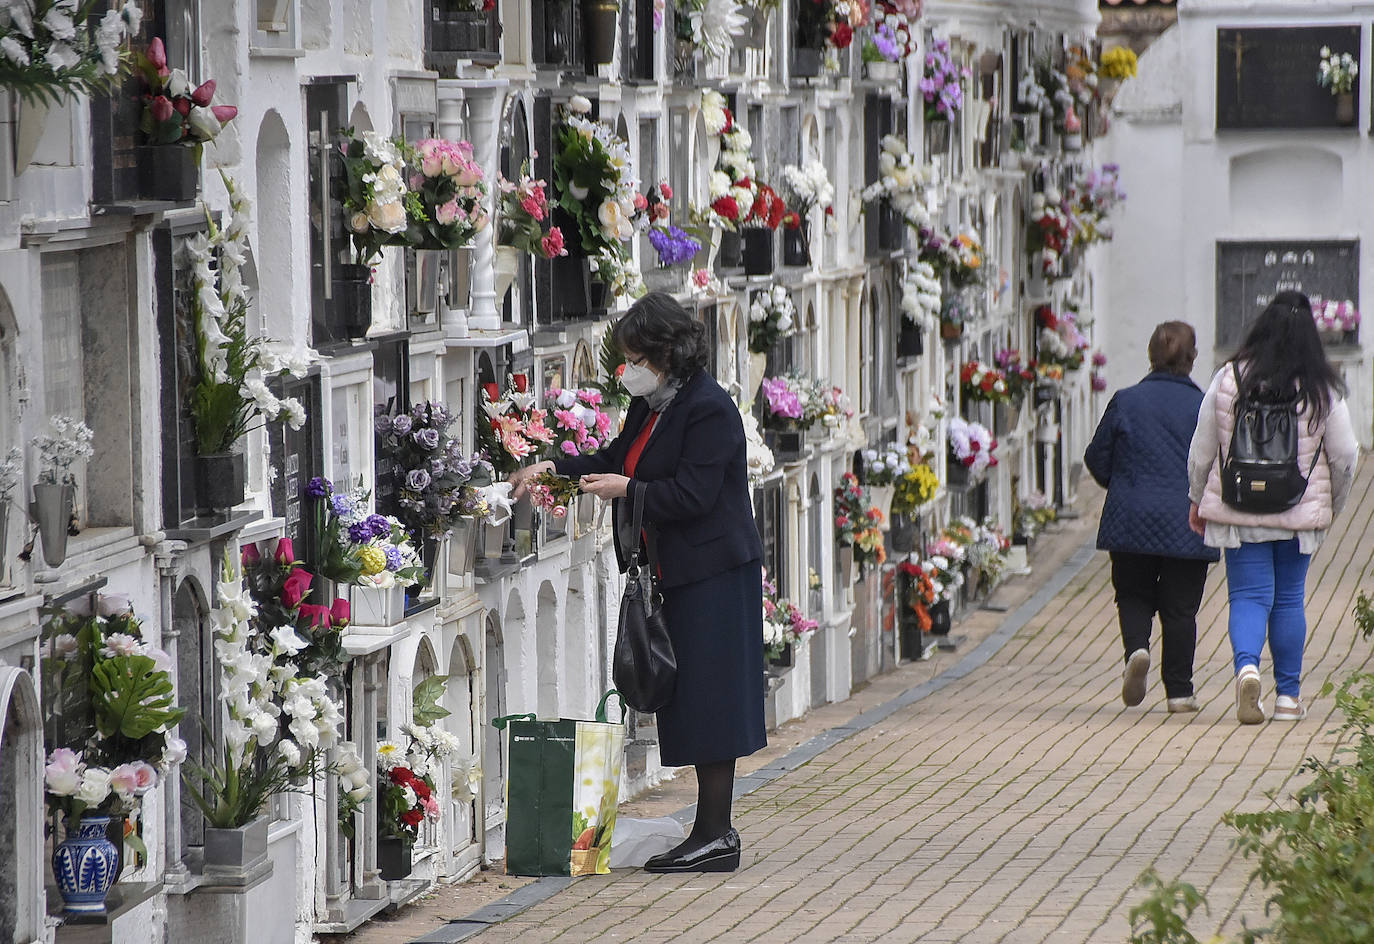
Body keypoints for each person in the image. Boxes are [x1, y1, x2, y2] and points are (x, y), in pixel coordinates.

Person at [510, 292, 766, 872]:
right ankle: (710, 831)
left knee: (711, 700)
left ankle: (716, 834)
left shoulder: (708, 409)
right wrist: (556, 467)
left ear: (665, 352)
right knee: (690, 696)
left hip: (716, 573)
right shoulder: (654, 407)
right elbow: (619, 457)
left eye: (634, 357)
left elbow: (694, 496)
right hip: (680, 572)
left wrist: (630, 493)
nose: (627, 370)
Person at [1187, 291, 1359, 723]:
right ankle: (1288, 698)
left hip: (1241, 506)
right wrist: (1333, 504)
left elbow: (1202, 447)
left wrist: (1196, 498)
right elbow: (1345, 455)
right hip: (1298, 508)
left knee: (1247, 595)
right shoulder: (1321, 385)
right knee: (1288, 600)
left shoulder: (1229, 377)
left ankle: (1247, 668)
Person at [1085, 322, 1220, 713]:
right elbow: (1218, 465)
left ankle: (1138, 651)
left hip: (1130, 517)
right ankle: (1179, 691)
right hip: (1187, 521)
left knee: (1132, 593)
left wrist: (1124, 484)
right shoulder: (1204, 406)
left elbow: (1096, 458)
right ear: (1192, 358)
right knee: (1181, 610)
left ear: (1150, 355)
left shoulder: (1125, 401)